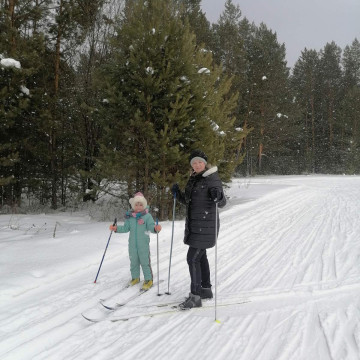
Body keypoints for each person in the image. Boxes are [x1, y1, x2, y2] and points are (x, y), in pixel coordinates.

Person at [172, 150, 226, 309]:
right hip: (195, 225)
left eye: (199, 162)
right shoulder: (194, 179)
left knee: (192, 258)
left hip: (206, 226)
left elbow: (222, 203)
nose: (196, 165)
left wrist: (219, 196)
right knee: (200, 257)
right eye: (194, 163)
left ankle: (195, 296)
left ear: (205, 163)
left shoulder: (212, 178)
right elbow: (190, 202)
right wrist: (178, 195)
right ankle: (205, 289)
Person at [109, 192, 162, 291]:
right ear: (133, 205)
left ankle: (148, 279)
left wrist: (156, 228)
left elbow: (151, 227)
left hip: (143, 245)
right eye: (136, 204)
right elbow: (125, 228)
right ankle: (135, 278)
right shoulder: (130, 217)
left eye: (141, 204)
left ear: (144, 205)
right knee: (133, 262)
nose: (138, 207)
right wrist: (116, 228)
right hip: (132, 245)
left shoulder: (147, 216)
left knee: (144, 262)